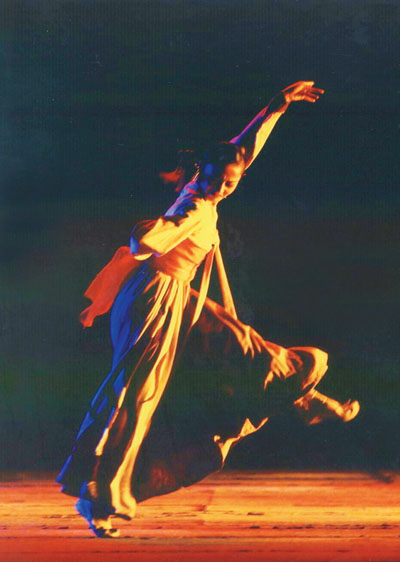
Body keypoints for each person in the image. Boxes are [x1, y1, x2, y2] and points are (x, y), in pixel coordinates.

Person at [56, 82, 359, 538]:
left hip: (179, 297)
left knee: (240, 345)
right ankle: (95, 493)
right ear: (202, 172)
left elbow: (243, 150)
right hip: (154, 300)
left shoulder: (212, 184)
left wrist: (276, 106)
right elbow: (157, 236)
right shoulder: (196, 205)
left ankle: (303, 399)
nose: (222, 188)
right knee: (135, 397)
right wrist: (146, 238)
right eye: (216, 179)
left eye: (230, 182)